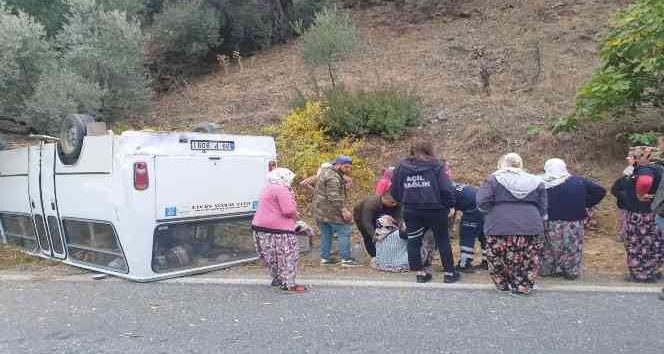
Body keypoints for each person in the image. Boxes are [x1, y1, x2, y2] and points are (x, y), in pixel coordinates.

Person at [477, 153, 547, 295]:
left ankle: (502, 284)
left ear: (502, 164)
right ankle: (523, 285)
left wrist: (491, 212)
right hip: (530, 223)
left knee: (498, 256)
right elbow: (543, 207)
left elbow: (482, 202)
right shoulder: (537, 181)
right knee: (528, 256)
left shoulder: (493, 179)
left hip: (499, 223)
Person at [391, 142, 459, 283]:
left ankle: (421, 273)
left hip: (412, 210)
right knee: (442, 240)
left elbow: (395, 191)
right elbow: (446, 188)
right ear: (430, 150)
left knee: (414, 240)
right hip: (436, 209)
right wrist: (450, 204)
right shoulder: (437, 165)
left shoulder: (401, 166)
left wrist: (404, 201)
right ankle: (449, 274)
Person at [539, 158, 606, 280]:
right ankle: (571, 271)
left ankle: (549, 269)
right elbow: (600, 191)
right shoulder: (578, 181)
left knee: (550, 246)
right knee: (572, 246)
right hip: (574, 221)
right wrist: (586, 203)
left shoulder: (541, 182)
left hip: (551, 220)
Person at [251, 168, 306, 293]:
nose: (291, 181)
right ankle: (288, 284)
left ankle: (277, 279)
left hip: (260, 227)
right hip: (279, 230)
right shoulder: (282, 189)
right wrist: (296, 214)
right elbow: (288, 211)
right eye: (290, 179)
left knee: (271, 256)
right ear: (284, 178)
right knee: (288, 256)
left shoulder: (268, 188)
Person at [615, 146, 663, 282]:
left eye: (633, 156)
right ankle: (652, 271)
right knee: (653, 243)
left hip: (641, 215)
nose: (629, 158)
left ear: (644, 156)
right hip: (653, 213)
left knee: (639, 244)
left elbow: (645, 181)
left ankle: (642, 275)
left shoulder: (646, 170)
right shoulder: (658, 168)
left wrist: (640, 195)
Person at [313, 156, 361, 266]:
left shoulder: (326, 172)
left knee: (326, 233)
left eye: (349, 167)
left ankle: (325, 258)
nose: (348, 169)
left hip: (320, 210)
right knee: (344, 231)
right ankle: (346, 259)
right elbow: (334, 196)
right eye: (346, 167)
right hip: (331, 210)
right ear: (338, 164)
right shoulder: (333, 177)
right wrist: (344, 210)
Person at [353, 192, 402, 258]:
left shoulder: (396, 203)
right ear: (384, 199)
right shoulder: (371, 204)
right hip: (361, 215)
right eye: (392, 203)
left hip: (381, 214)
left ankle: (388, 255)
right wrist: (375, 237)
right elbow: (367, 223)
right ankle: (374, 256)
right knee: (368, 236)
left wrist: (399, 226)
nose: (394, 204)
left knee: (388, 232)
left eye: (396, 203)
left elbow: (398, 218)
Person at [452, 183, 487, 272]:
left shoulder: (442, 192)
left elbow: (450, 212)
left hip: (474, 207)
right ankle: (488, 262)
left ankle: (465, 263)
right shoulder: (451, 186)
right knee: (483, 234)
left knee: (467, 234)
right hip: (484, 203)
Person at [610, 159, 635, 242]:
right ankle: (622, 236)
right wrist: (622, 195)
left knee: (628, 221)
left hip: (632, 206)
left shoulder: (635, 180)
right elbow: (613, 190)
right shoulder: (620, 181)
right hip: (624, 205)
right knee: (623, 221)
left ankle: (628, 236)